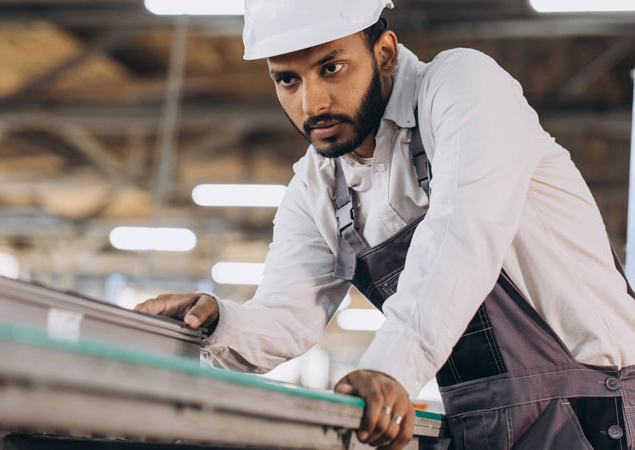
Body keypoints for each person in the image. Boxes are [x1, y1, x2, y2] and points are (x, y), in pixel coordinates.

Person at [135, 1, 635, 448]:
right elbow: (288, 317)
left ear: (386, 53)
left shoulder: (463, 85)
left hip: (600, 408)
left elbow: (463, 233)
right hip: (485, 424)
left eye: (331, 68)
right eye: (287, 79)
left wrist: (389, 369)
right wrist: (216, 323)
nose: (312, 104)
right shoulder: (317, 186)